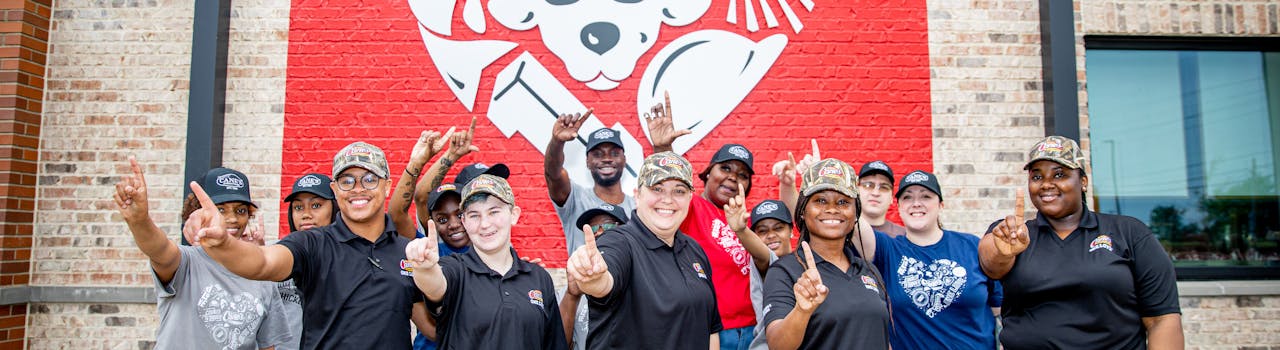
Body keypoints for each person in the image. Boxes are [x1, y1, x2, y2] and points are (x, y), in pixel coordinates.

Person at [185, 141, 431, 349]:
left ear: (387, 185)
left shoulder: (405, 251)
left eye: (369, 179)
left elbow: (432, 328)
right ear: (335, 190)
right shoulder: (313, 244)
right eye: (347, 181)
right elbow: (262, 263)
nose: (358, 189)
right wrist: (223, 242)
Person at [980, 136, 1184, 349]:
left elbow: (1162, 320)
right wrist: (1003, 252)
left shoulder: (1129, 233)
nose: (1047, 184)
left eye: (1060, 174)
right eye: (1037, 177)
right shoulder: (1013, 233)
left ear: (1083, 182)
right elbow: (990, 263)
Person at [113, 160, 289, 349]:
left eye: (240, 210)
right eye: (220, 210)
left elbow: (267, 346)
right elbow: (159, 249)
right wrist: (139, 221)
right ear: (198, 212)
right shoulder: (186, 262)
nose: (232, 219)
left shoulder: (262, 278)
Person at [567, 152, 722, 349]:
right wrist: (594, 278)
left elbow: (710, 329)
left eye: (679, 191)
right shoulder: (619, 241)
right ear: (638, 195)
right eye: (657, 188)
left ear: (690, 198)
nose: (668, 199)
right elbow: (604, 281)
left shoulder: (695, 250)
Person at [405, 175, 568, 350]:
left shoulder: (539, 277)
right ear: (465, 222)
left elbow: (553, 342)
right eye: (474, 215)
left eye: (494, 212)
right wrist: (425, 268)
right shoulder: (455, 269)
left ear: (514, 215)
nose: (485, 224)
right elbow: (435, 285)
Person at [647, 97, 757, 350]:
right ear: (708, 173)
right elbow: (671, 187)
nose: (732, 177)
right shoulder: (694, 206)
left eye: (742, 175)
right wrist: (663, 148)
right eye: (725, 168)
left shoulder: (744, 221)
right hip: (712, 331)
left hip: (752, 329)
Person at [853, 170, 1001, 350]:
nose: (916, 203)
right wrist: (824, 180)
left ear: (941, 205)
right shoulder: (888, 250)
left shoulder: (972, 246)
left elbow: (1000, 312)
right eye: (907, 197)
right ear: (898, 206)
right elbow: (851, 219)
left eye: (926, 196)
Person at [763, 158, 889, 350]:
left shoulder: (868, 270)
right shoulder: (784, 271)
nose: (832, 209)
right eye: (820, 201)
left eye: (843, 202)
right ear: (803, 211)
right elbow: (777, 345)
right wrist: (802, 311)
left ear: (855, 214)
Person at [545, 110, 636, 256]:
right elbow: (553, 175)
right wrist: (557, 142)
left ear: (624, 160)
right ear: (587, 162)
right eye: (598, 154)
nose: (606, 158)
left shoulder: (638, 207)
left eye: (614, 153)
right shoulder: (575, 199)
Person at [276, 173, 338, 350]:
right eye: (298, 207)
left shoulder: (349, 258)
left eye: (316, 205)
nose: (306, 214)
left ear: (335, 208)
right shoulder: (279, 254)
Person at [724, 198, 793, 350]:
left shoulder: (804, 261)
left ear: (791, 230)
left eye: (778, 228)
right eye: (762, 231)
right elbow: (762, 255)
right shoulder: (766, 263)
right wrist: (741, 231)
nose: (771, 235)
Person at [559, 204, 628, 350]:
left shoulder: (640, 278)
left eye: (609, 227)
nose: (599, 233)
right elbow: (558, 343)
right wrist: (572, 296)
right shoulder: (570, 290)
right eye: (593, 229)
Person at [858, 160, 907, 237]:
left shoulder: (905, 237)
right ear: (857, 191)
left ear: (891, 197)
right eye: (868, 185)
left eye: (884, 187)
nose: (875, 193)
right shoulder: (842, 232)